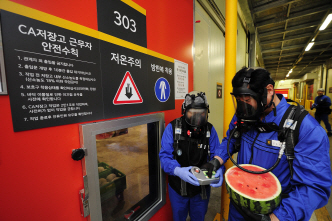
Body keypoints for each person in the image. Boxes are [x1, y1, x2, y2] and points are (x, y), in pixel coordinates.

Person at [214, 67, 332, 221]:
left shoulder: (306, 129)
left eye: (247, 100)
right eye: (239, 100)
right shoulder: (244, 115)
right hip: (238, 208)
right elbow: (231, 139)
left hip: (276, 213)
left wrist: (275, 217)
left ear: (268, 91)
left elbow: (314, 188)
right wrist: (216, 160)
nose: (243, 107)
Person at [159, 91, 223, 221]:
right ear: (184, 111)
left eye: (201, 113)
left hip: (201, 190)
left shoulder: (210, 130)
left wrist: (219, 168)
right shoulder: (172, 128)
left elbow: (218, 153)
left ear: (207, 112)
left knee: (199, 217)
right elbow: (164, 157)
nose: (197, 117)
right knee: (179, 217)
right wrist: (177, 170)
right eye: (192, 113)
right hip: (177, 188)